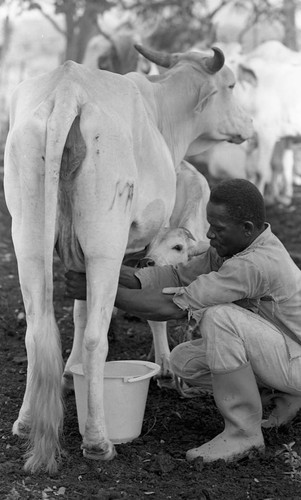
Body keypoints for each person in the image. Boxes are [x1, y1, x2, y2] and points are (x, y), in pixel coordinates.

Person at [65, 178, 301, 464]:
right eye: (210, 225)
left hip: (296, 361)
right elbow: (176, 276)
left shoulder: (255, 264)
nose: (210, 235)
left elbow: (171, 306)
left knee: (220, 318)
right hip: (282, 354)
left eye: (219, 228)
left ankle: (244, 434)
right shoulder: (231, 248)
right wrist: (109, 271)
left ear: (247, 228)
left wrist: (103, 292)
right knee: (183, 360)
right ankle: (280, 395)